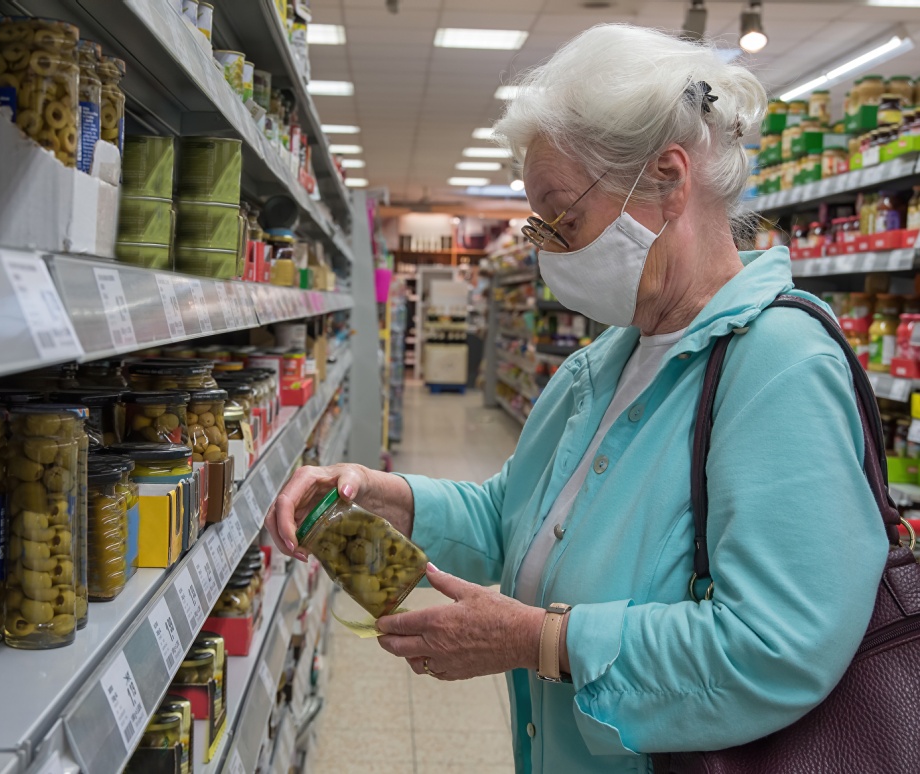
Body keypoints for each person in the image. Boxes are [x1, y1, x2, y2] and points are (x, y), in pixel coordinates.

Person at [264, 24, 891, 773]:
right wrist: (373, 494)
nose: (549, 250)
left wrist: (539, 641)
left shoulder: (778, 366)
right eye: (540, 225)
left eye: (563, 218)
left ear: (667, 179)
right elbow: (513, 518)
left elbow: (776, 645)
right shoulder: (605, 359)